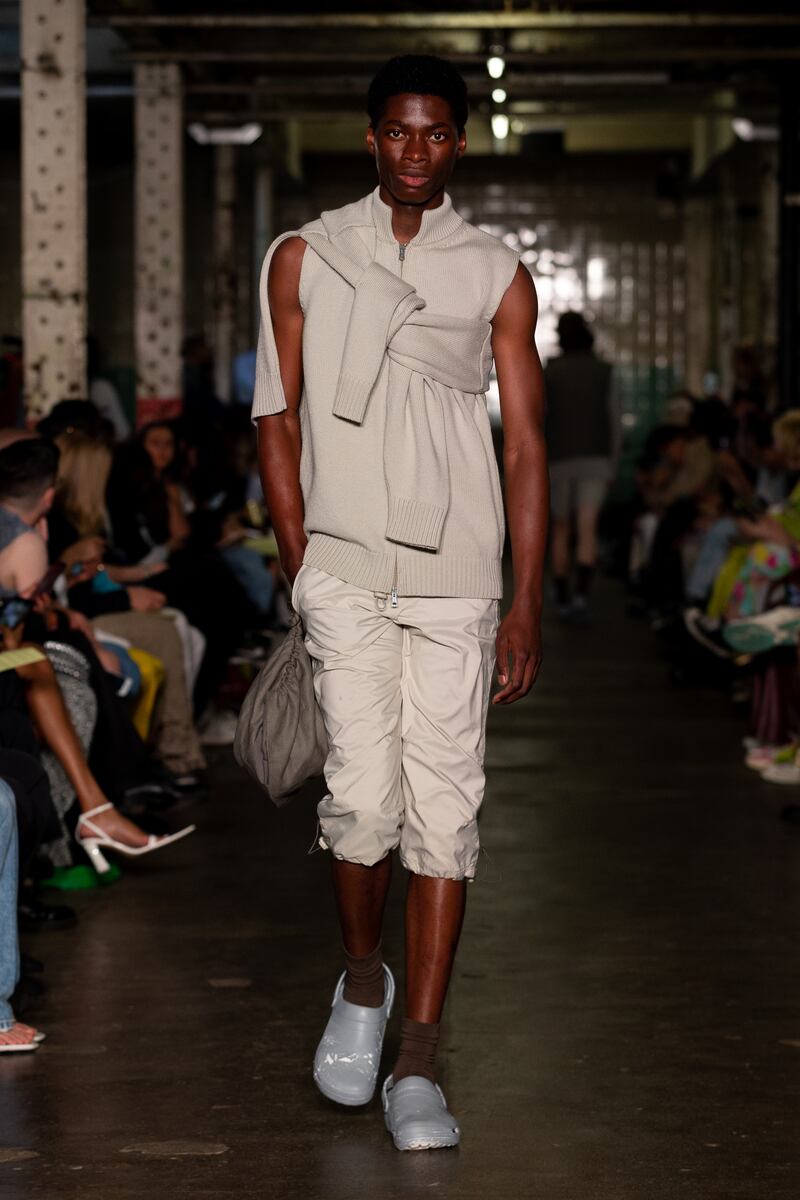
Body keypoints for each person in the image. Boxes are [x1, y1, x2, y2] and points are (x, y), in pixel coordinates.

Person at [254, 55, 547, 1151]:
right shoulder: (306, 254)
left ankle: (417, 1058)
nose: (415, 151)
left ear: (459, 144)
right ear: (370, 138)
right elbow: (273, 418)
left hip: (458, 577)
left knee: (445, 815)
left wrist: (524, 602)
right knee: (361, 805)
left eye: (435, 135)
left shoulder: (493, 271)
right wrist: (300, 557)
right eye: (397, 133)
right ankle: (364, 984)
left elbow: (523, 444)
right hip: (343, 568)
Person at [545, 311, 620, 621]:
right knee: (587, 529)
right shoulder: (605, 371)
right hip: (596, 458)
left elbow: (540, 416)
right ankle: (580, 598)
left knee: (560, 528)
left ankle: (562, 596)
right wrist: (612, 464)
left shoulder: (550, 371)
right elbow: (614, 419)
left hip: (558, 459)